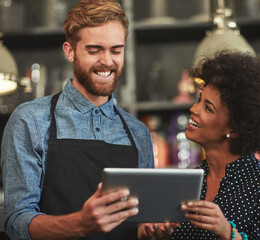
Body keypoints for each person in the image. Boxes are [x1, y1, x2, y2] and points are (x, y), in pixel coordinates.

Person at [1, 0, 154, 239]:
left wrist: (150, 229)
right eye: (94, 50)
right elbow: (16, 221)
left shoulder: (138, 133)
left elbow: (142, 218)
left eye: (116, 50)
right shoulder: (30, 120)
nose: (107, 61)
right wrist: (80, 224)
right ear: (70, 52)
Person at [138, 50, 260, 240]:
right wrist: (155, 233)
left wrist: (227, 232)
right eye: (199, 100)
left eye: (208, 107)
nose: (193, 109)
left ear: (236, 128)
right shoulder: (189, 182)